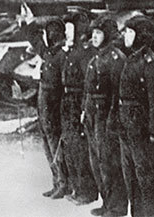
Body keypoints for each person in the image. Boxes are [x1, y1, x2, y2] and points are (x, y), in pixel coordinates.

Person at [118, 15, 154, 217]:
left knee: (148, 176)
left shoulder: (151, 64)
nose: (125, 36)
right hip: (129, 126)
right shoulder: (132, 59)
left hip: (142, 128)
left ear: (141, 36)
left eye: (130, 32)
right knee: (133, 177)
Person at [83, 16, 128, 216]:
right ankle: (107, 202)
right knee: (97, 161)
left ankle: (117, 207)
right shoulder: (96, 58)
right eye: (93, 33)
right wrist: (85, 111)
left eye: (99, 33)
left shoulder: (116, 59)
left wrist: (113, 119)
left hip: (107, 115)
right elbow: (88, 90)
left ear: (107, 35)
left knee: (110, 162)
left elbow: (119, 93)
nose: (94, 37)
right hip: (94, 115)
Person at [59, 12, 98, 205]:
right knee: (70, 147)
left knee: (81, 149)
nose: (66, 32)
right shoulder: (71, 50)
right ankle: (77, 188)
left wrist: (84, 108)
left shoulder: (85, 52)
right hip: (68, 101)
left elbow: (88, 84)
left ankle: (87, 191)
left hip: (78, 101)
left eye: (70, 28)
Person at [38, 18, 70, 199]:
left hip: (53, 105)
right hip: (44, 105)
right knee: (48, 146)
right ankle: (56, 181)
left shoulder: (61, 55)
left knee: (56, 145)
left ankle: (63, 183)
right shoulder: (50, 54)